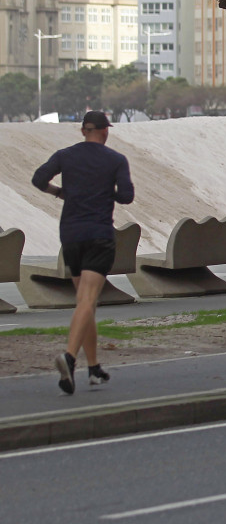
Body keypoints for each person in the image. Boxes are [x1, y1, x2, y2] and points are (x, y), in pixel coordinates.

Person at [32, 111, 134, 395]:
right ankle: (69, 357)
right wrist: (104, 191)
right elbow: (126, 196)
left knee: (84, 303)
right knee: (88, 300)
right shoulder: (115, 160)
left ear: (82, 131)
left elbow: (38, 179)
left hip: (71, 236)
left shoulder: (65, 155)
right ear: (105, 131)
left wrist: (60, 192)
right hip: (99, 235)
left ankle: (93, 368)